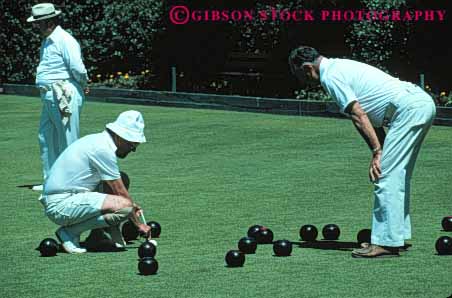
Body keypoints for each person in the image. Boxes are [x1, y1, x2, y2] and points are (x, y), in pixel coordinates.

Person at [288, 46, 436, 258]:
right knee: (396, 174)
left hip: (408, 110)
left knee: (385, 174)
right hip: (418, 104)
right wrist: (380, 149)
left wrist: (377, 152)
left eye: (300, 75)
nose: (302, 80)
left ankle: (385, 243)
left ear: (307, 67)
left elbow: (358, 114)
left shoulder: (331, 76)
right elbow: (368, 114)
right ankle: (396, 237)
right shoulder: (339, 65)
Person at [39, 110, 151, 254]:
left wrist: (132, 208)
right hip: (60, 205)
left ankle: (98, 236)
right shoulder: (102, 149)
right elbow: (120, 192)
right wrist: (139, 224)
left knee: (123, 179)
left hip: (70, 198)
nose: (133, 150)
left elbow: (117, 185)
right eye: (131, 144)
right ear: (119, 137)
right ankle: (69, 232)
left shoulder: (98, 141)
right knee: (124, 206)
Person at [27, 3, 89, 186]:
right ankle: (52, 183)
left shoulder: (65, 39)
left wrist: (84, 83)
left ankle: (73, 183)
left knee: (68, 140)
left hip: (63, 94)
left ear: (49, 21)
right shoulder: (48, 40)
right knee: (46, 138)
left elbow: (77, 67)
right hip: (49, 95)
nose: (34, 26)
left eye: (37, 22)